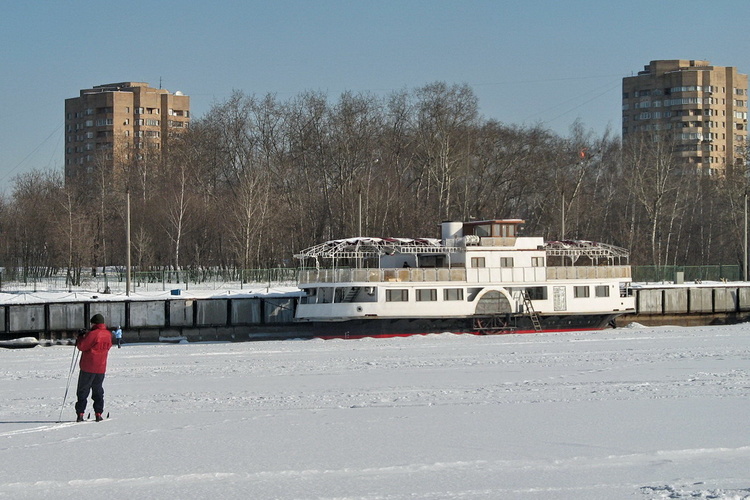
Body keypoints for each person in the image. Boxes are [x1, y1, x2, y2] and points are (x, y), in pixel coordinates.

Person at [75, 314, 113, 422]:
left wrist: (80, 337)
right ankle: (98, 413)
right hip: (101, 367)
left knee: (83, 391)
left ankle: (80, 414)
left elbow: (82, 346)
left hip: (88, 366)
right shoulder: (108, 334)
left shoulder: (93, 334)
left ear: (94, 323)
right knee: (98, 391)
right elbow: (109, 346)